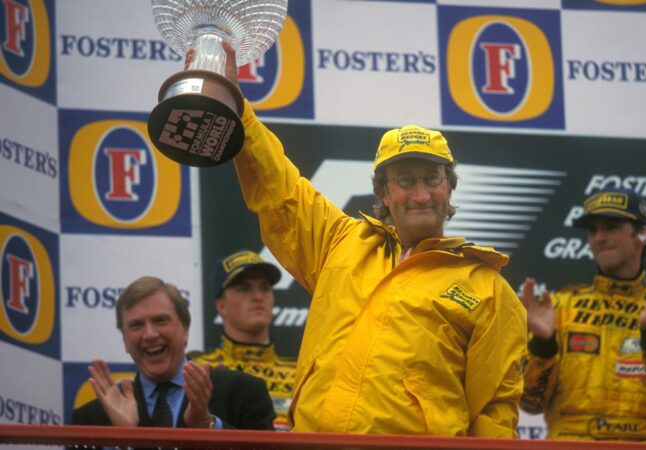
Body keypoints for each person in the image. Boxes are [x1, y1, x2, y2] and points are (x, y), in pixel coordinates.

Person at [206, 44, 528, 436]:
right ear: (383, 194)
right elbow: (280, 191)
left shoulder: (490, 291)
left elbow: (495, 413)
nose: (421, 194)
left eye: (432, 179)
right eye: (405, 181)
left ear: (450, 187)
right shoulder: (340, 241)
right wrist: (238, 109)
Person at [519, 188, 646, 442]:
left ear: (642, 235)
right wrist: (543, 344)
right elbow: (530, 403)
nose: (599, 237)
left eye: (611, 227)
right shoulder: (560, 309)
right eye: (593, 230)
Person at [71, 276, 275, 430]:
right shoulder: (92, 418)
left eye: (161, 320)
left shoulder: (245, 393)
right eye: (136, 325)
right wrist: (126, 439)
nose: (150, 334)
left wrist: (206, 424)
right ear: (124, 339)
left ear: (185, 329)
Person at [192, 249, 296, 431]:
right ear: (221, 305)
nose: (257, 297)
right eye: (244, 288)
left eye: (265, 288)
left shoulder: (301, 373)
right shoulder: (201, 372)